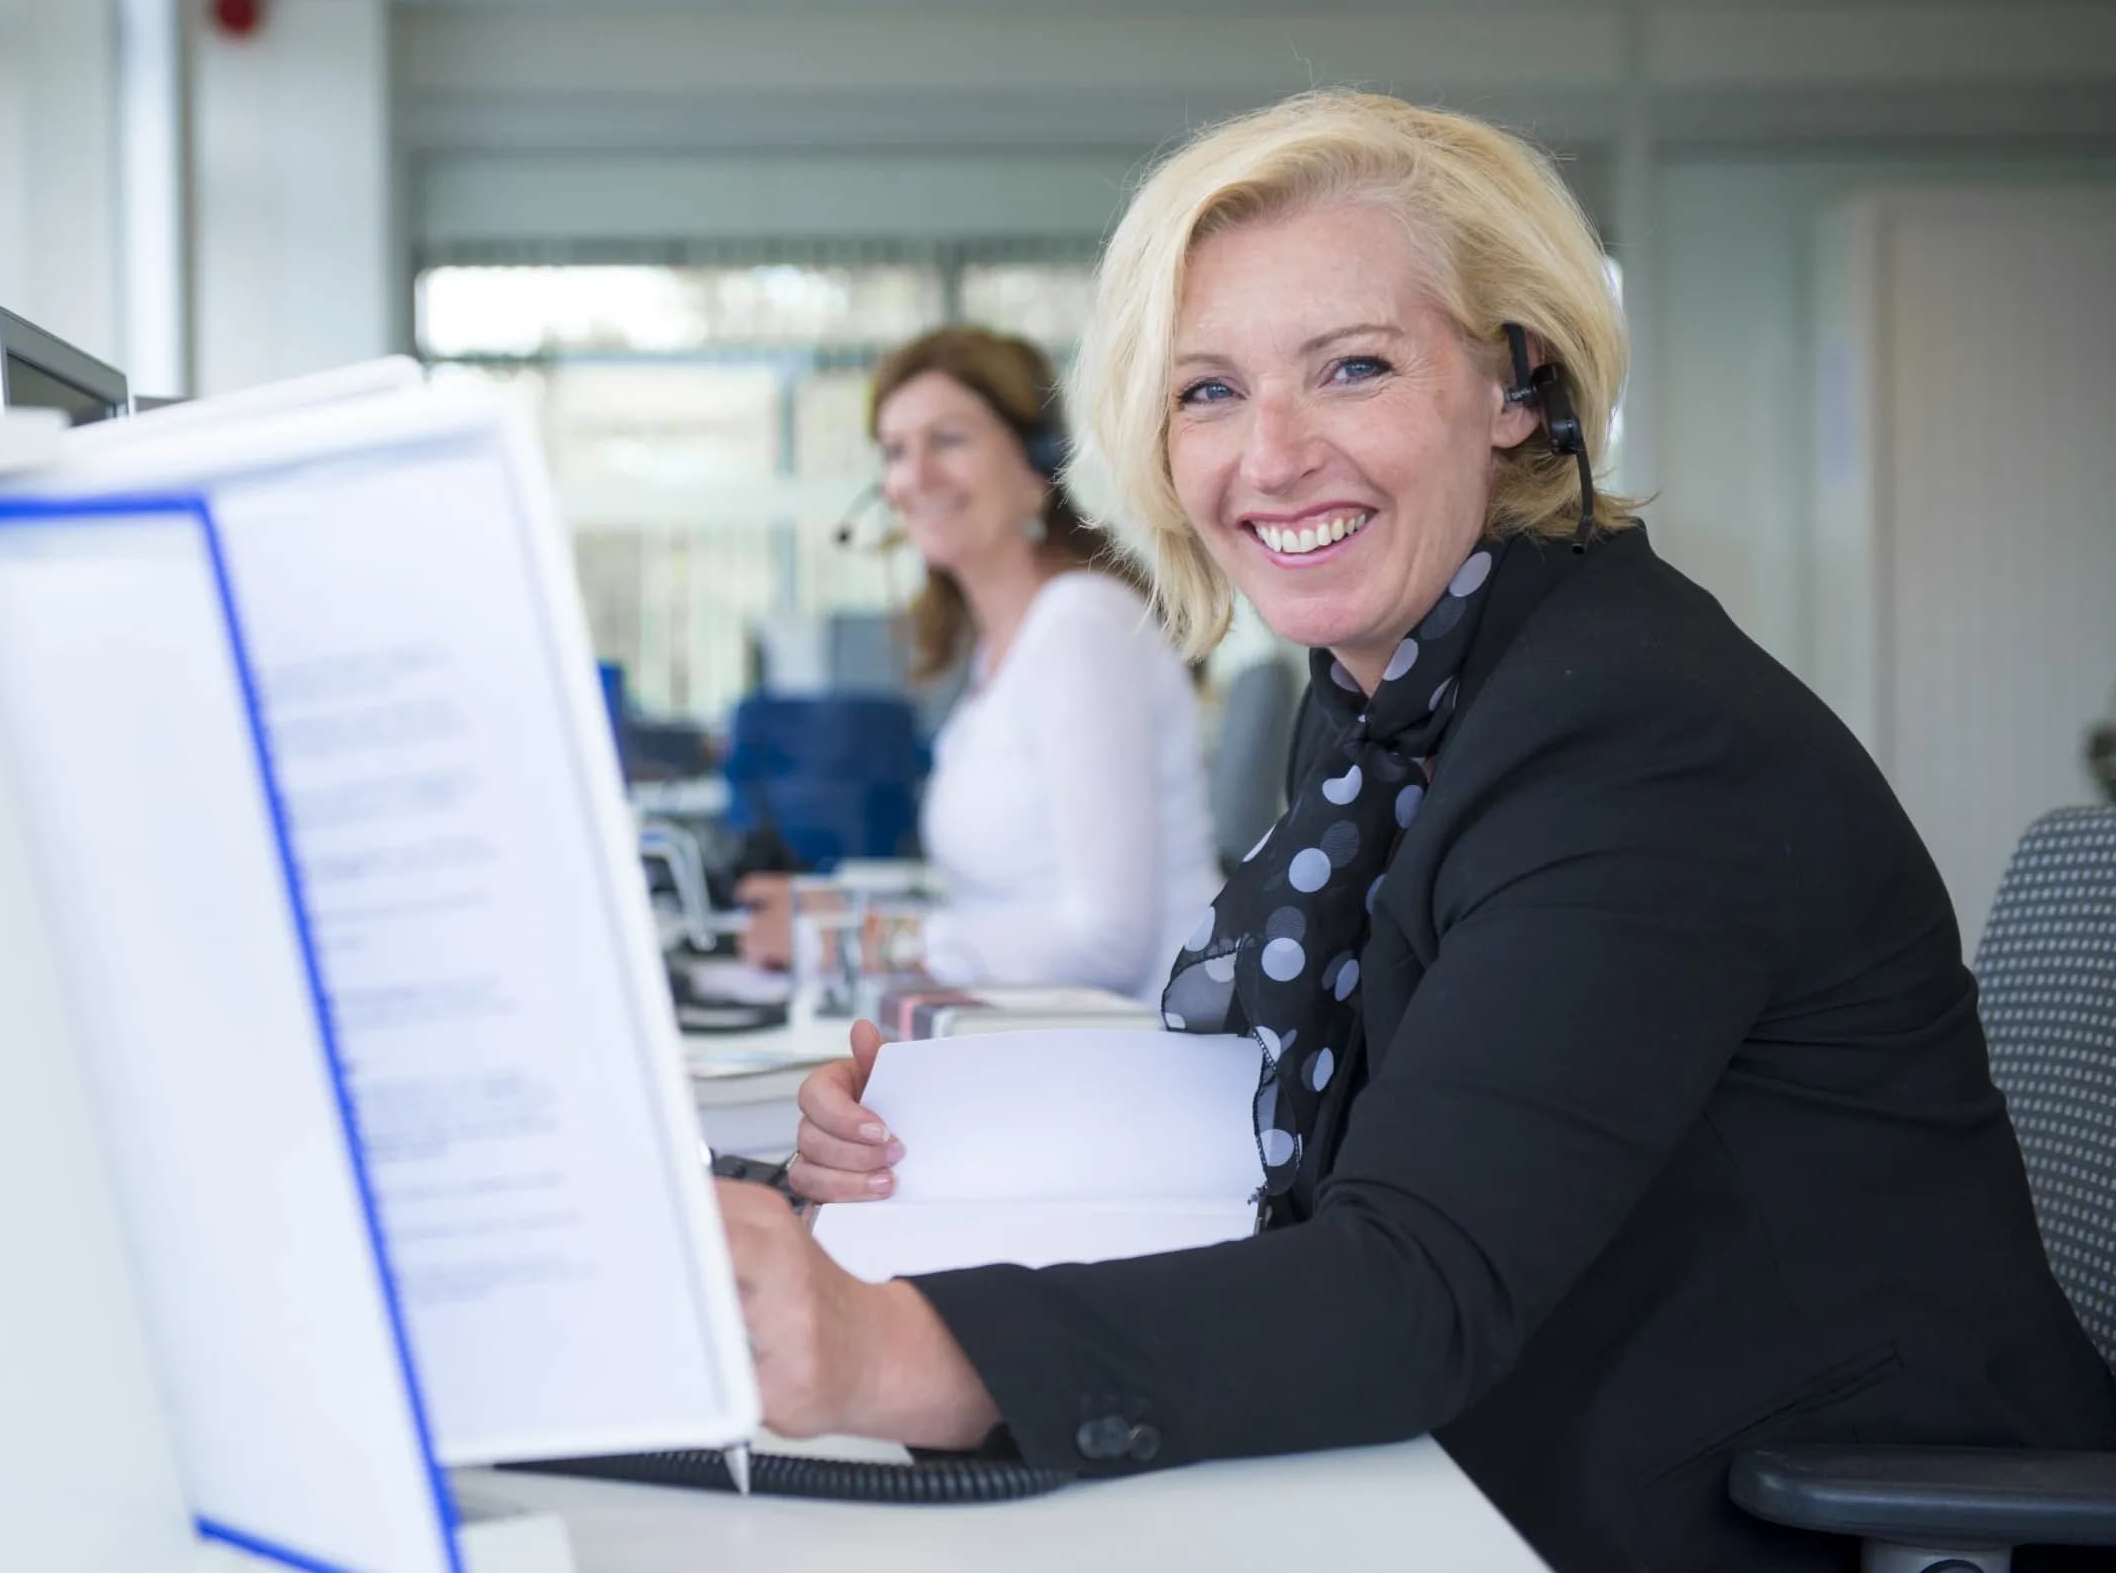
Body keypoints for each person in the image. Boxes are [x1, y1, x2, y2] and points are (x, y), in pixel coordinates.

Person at [714, 92, 2116, 1572]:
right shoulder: (1403, 687)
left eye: (1354, 368)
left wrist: (889, 1350)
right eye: (1207, 392)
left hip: (1757, 1498)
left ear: (1518, 388)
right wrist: (924, 1144)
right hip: (1555, 1424)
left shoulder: (1637, 735)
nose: (1272, 456)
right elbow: (1334, 1116)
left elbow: (1419, 1283)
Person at [737, 325, 1218, 1004]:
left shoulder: (1080, 627)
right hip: (1050, 1037)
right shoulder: (1003, 649)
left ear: (1036, 461)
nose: (915, 477)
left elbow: (1108, 940)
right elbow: (1015, 895)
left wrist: (846, 942)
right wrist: (838, 911)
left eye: (949, 440)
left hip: (1133, 1054)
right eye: (896, 451)